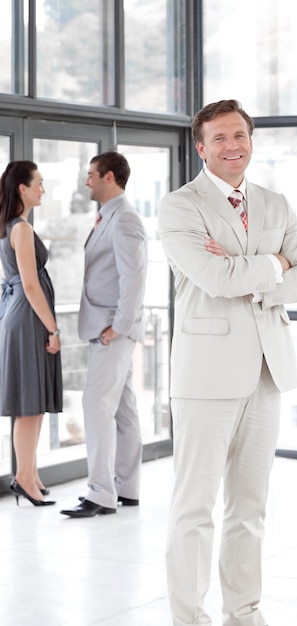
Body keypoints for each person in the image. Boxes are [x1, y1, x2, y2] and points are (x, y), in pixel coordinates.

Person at [158, 99, 297, 626]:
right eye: (220, 138)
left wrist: (251, 268)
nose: (232, 146)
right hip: (205, 377)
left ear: (252, 141)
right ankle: (189, 618)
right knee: (194, 509)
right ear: (201, 148)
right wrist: (275, 263)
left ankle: (244, 613)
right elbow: (215, 280)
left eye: (240, 136)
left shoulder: (275, 203)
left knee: (249, 508)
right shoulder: (180, 207)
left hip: (267, 374)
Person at [60, 151, 147, 518]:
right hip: (109, 326)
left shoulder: (124, 219)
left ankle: (100, 494)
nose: (87, 182)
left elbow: (135, 278)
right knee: (123, 410)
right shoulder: (108, 217)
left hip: (112, 330)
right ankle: (126, 488)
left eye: (91, 175)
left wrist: (120, 326)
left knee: (95, 406)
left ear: (109, 177)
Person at [0, 160, 62, 507]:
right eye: (38, 183)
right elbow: (29, 284)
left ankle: (30, 473)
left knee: (32, 402)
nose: (42, 189)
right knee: (28, 404)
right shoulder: (20, 229)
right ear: (22, 188)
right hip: (27, 317)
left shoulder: (11, 225)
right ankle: (23, 478)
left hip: (19, 315)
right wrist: (54, 328)